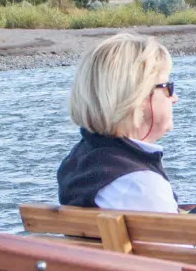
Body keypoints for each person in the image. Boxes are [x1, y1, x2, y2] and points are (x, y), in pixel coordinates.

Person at [56, 32, 180, 212]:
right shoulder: (141, 185)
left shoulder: (77, 163)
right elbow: (175, 240)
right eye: (168, 87)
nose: (174, 98)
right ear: (139, 96)